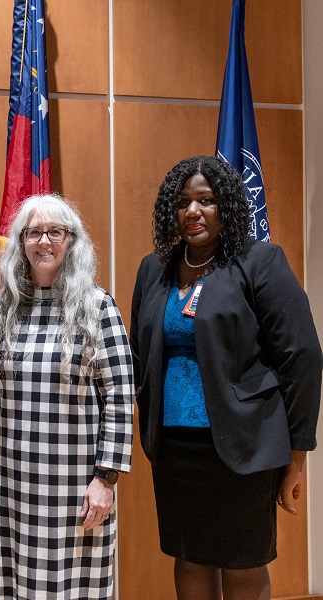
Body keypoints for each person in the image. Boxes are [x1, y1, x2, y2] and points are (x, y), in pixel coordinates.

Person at [130, 155, 322, 600]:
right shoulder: (152, 270)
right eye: (183, 203)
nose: (193, 211)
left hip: (244, 446)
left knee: (242, 562)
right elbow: (140, 355)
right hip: (175, 448)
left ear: (227, 207)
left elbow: (303, 356)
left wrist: (297, 453)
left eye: (207, 200)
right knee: (190, 557)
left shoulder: (259, 262)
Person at [0, 194, 134, 599]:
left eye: (55, 232)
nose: (44, 242)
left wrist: (106, 479)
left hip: (77, 486)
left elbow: (120, 395)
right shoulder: (2, 309)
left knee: (74, 589)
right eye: (34, 232)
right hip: (14, 486)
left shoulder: (97, 307)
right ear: (20, 242)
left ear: (71, 241)